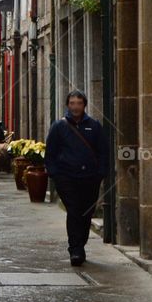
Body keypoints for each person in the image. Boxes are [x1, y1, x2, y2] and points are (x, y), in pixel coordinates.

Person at [45, 90, 109, 265]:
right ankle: (75, 249)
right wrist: (54, 173)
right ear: (67, 105)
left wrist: (101, 173)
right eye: (72, 103)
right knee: (73, 210)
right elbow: (50, 152)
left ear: (84, 105)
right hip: (66, 177)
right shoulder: (59, 127)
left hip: (90, 177)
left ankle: (81, 243)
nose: (75, 107)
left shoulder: (94, 126)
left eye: (79, 103)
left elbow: (103, 151)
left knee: (86, 212)